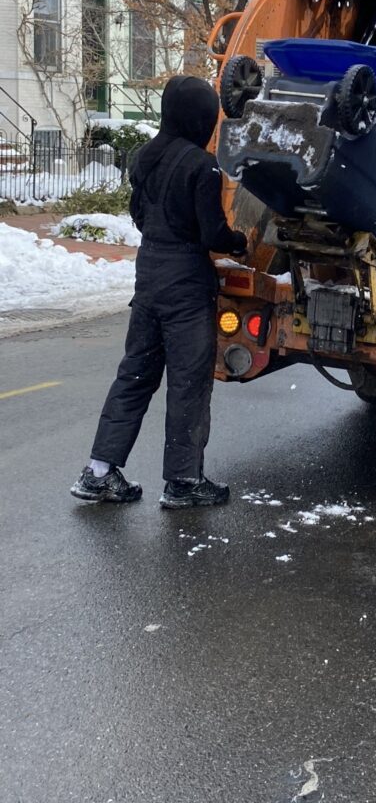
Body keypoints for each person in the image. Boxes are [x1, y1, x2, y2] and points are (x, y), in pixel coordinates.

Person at [71, 76, 248, 509]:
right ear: (201, 118)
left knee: (134, 375)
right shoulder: (203, 167)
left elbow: (138, 214)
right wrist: (239, 242)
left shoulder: (145, 156)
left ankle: (99, 472)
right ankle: (184, 481)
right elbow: (212, 234)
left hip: (148, 276)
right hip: (186, 286)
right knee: (188, 383)